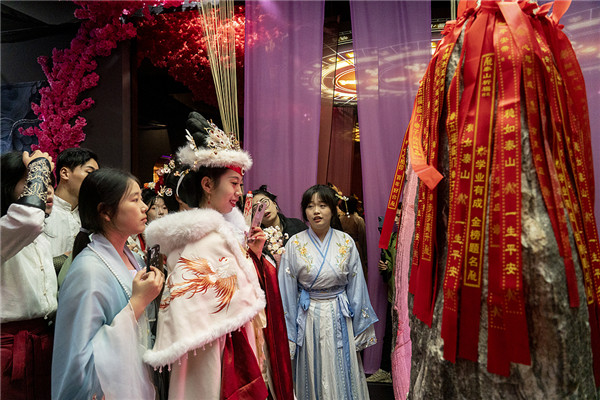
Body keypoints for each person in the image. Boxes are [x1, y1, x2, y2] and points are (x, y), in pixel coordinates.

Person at [143, 112, 294, 399]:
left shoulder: (223, 232)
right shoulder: (199, 240)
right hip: (216, 353)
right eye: (234, 183)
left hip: (240, 341)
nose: (239, 191)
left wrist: (255, 257)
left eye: (240, 183)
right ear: (207, 185)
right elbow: (195, 312)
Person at [51, 168, 164, 399]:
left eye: (142, 199)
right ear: (106, 212)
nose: (144, 207)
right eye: (135, 200)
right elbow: (79, 358)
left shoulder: (134, 257)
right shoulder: (88, 271)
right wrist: (137, 303)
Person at [278, 184, 378, 399]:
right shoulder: (294, 244)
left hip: (339, 315)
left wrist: (360, 326)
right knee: (311, 368)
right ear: (304, 211)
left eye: (322, 205)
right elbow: (286, 290)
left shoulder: (346, 242)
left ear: (332, 209)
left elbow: (357, 285)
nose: (316, 211)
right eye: (310, 206)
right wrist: (290, 331)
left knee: (341, 366)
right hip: (308, 316)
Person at [1, 150, 56, 400]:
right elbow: (28, 220)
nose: (45, 190)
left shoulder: (39, 234)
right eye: (33, 181)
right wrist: (40, 166)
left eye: (47, 183)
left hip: (42, 342)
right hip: (8, 349)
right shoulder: (8, 230)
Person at [43, 147, 98, 273]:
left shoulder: (90, 215)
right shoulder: (43, 211)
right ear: (65, 173)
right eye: (90, 173)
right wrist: (65, 259)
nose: (95, 180)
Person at [251, 184, 306, 263]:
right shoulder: (258, 240)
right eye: (256, 208)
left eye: (264, 202)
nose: (263, 208)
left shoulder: (297, 225)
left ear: (274, 204)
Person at [339, 195, 368, 282]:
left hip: (342, 248)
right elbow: (362, 238)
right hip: (356, 246)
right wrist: (365, 258)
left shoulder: (339, 219)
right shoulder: (358, 220)